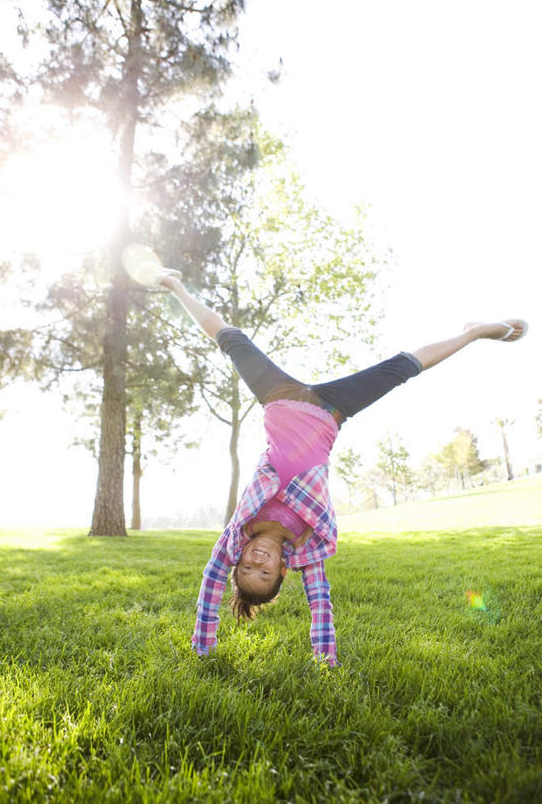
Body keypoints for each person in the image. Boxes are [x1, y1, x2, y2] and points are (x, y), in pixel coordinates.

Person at [155, 266, 527, 665]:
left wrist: (203, 648)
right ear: (283, 571)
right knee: (400, 368)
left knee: (231, 340)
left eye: (246, 566)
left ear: (240, 556)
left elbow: (211, 586)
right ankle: (471, 333)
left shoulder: (238, 529)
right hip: (332, 411)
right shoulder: (307, 547)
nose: (257, 562)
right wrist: (325, 660)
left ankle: (175, 283)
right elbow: (321, 606)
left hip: (277, 397)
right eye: (264, 574)